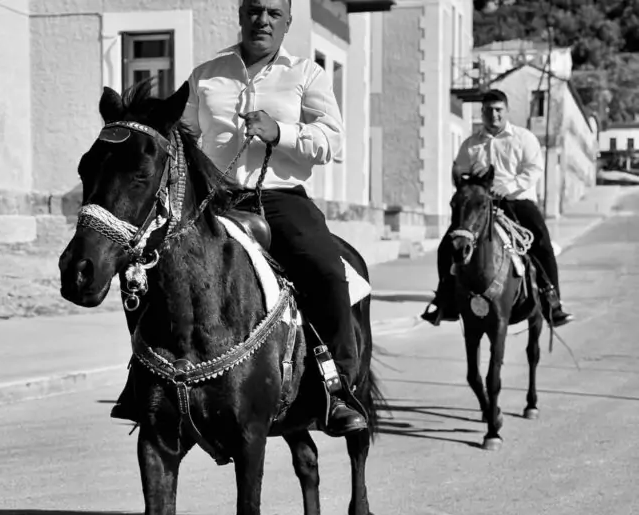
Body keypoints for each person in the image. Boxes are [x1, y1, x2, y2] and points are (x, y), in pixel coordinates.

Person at [111, 0, 367, 436]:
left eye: (273, 13)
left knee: (326, 269)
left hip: (281, 200)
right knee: (141, 268)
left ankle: (337, 388)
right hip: (215, 202)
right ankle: (143, 378)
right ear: (242, 16)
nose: (262, 20)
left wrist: (280, 132)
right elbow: (180, 137)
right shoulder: (206, 75)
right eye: (254, 10)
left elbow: (333, 142)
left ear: (287, 21)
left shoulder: (307, 74)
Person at [421, 89, 574, 328]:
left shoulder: (524, 138)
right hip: (481, 204)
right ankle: (446, 299)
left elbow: (534, 169)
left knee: (541, 243)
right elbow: (458, 172)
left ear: (507, 111)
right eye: (489, 110)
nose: (494, 115)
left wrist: (509, 186)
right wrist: (470, 177)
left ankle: (551, 300)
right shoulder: (471, 144)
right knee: (447, 246)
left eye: (498, 110)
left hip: (517, 201)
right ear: (482, 113)